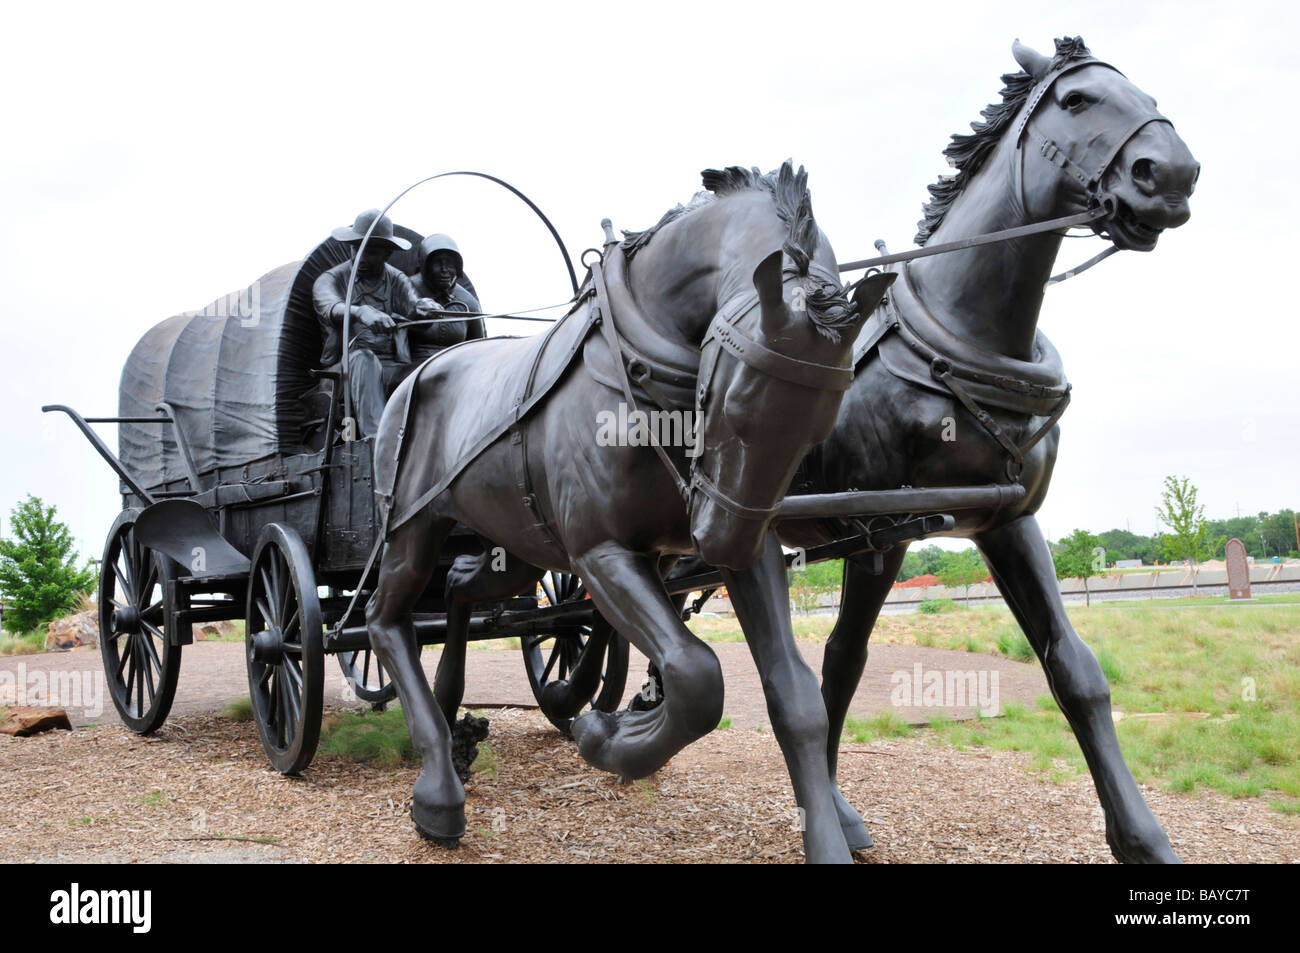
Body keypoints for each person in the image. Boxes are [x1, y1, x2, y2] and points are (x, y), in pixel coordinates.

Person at [313, 209, 436, 438]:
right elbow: (330, 306)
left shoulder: (396, 278)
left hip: (392, 367)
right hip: (343, 372)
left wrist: (424, 308)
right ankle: (378, 442)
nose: (360, 256)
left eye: (371, 252)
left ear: (387, 254)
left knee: (430, 371)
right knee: (364, 360)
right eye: (356, 248)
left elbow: (413, 304)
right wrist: (361, 312)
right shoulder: (331, 279)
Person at [406, 234, 487, 364]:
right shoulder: (404, 290)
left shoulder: (469, 302)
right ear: (425, 265)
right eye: (438, 263)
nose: (444, 270)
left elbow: (479, 351)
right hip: (411, 371)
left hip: (456, 371)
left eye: (450, 264)